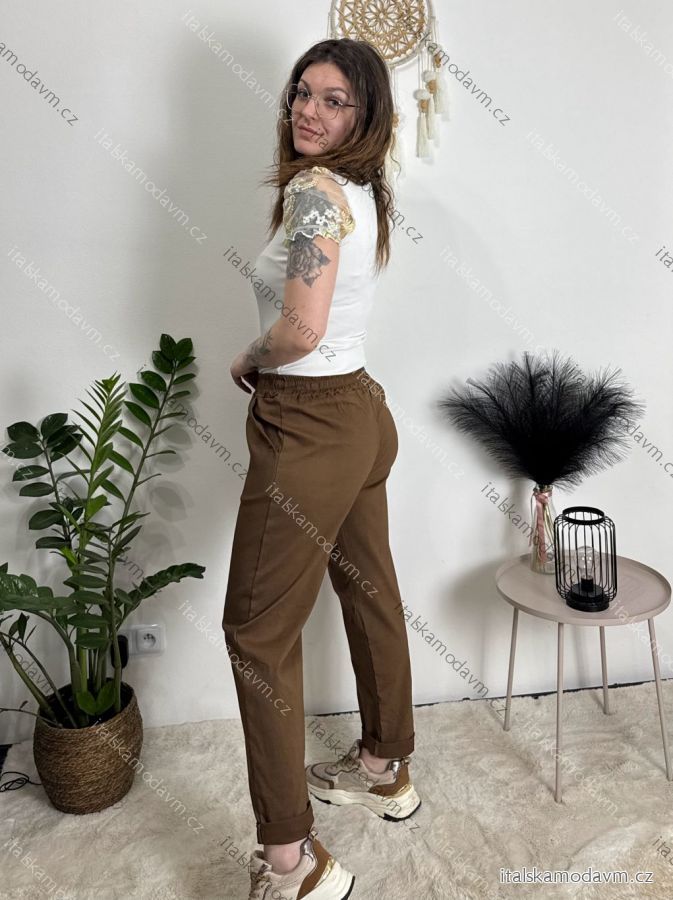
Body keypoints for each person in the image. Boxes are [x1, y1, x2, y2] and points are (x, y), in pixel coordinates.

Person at [223, 37, 421, 900]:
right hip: (361, 416)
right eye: (303, 92)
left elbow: (300, 330)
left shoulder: (314, 191)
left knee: (256, 635)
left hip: (310, 426)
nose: (309, 110)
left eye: (334, 100)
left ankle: (291, 861)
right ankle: (384, 766)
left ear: (365, 115)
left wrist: (249, 356)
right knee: (368, 588)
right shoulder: (361, 189)